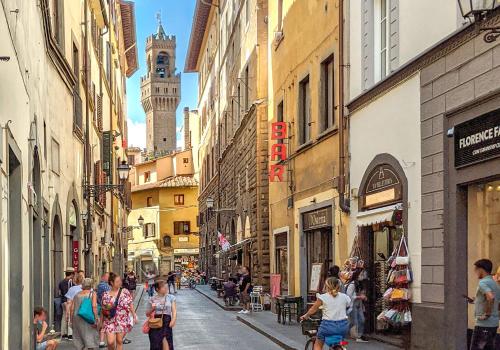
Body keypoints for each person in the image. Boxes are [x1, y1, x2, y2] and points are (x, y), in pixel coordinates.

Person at [301, 277, 351, 350]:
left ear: (327, 286)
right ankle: (342, 346)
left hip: (328, 326)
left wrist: (306, 315)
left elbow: (313, 309)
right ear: (339, 286)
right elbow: (348, 306)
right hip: (343, 326)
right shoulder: (345, 297)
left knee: (318, 343)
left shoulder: (323, 297)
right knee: (341, 341)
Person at [468, 259, 499, 350]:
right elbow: (496, 301)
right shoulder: (495, 283)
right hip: (494, 324)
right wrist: (476, 300)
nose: (475, 273)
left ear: (481, 269)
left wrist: (487, 314)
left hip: (483, 325)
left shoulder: (483, 282)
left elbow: (491, 297)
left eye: (476, 270)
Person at [101, 272, 137, 350]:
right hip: (110, 320)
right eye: (117, 281)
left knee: (119, 341)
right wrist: (101, 322)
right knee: (110, 342)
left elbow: (130, 303)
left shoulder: (125, 292)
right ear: (111, 283)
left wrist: (134, 315)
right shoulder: (106, 294)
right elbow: (103, 308)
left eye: (120, 281)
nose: (120, 283)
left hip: (122, 319)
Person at [146, 280, 177, 350]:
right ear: (157, 289)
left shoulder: (171, 297)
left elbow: (174, 310)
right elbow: (147, 314)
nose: (166, 288)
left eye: (166, 286)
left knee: (166, 340)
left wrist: (173, 320)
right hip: (156, 323)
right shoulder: (152, 299)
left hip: (166, 321)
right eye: (163, 287)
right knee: (156, 344)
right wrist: (153, 309)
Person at [70, 278, 100, 350]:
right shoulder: (92, 293)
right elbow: (94, 306)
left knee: (79, 337)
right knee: (90, 336)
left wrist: (71, 320)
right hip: (88, 317)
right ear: (91, 285)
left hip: (76, 317)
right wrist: (96, 318)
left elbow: (72, 308)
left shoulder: (77, 294)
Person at [345, 270, 368, 342]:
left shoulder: (359, 284)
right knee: (355, 321)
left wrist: (363, 296)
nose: (362, 276)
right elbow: (349, 296)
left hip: (359, 304)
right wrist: (359, 297)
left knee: (362, 320)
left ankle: (359, 335)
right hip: (353, 304)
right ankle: (357, 336)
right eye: (361, 274)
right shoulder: (352, 284)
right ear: (357, 275)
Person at [59, 269, 75, 339]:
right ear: (71, 274)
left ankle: (63, 333)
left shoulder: (61, 282)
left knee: (64, 316)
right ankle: (69, 334)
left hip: (63, 300)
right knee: (69, 316)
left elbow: (60, 292)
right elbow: (69, 292)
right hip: (68, 301)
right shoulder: (70, 282)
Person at [96, 273, 111, 348]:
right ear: (104, 277)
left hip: (101, 306)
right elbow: (110, 295)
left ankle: (102, 340)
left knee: (102, 323)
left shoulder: (99, 285)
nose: (109, 279)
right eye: (108, 277)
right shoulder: (104, 286)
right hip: (105, 307)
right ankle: (104, 340)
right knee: (105, 323)